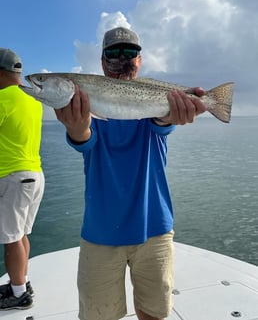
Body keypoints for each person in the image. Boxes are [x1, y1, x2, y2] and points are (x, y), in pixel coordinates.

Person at [55, 27, 206, 320]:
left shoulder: (153, 103)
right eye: (113, 53)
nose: (122, 59)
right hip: (99, 232)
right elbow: (84, 137)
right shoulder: (89, 103)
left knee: (154, 313)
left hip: (155, 229)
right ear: (101, 61)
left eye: (130, 53)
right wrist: (75, 127)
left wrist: (175, 111)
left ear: (140, 60)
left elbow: (162, 120)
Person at [0, 48, 45, 310]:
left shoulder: (2, 99)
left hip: (13, 179)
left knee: (11, 238)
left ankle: (19, 295)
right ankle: (21, 283)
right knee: (21, 234)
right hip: (35, 175)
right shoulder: (33, 99)